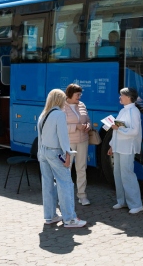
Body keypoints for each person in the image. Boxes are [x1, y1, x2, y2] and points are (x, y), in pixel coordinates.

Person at [37, 89, 86, 228]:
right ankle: (69, 219)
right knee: (66, 184)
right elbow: (63, 137)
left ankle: (50, 216)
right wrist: (68, 155)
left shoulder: (43, 114)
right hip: (56, 152)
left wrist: (40, 155)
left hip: (43, 152)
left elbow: (40, 137)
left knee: (47, 185)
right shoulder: (59, 114)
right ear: (59, 100)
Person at [108, 87, 143, 214]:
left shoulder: (134, 111)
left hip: (127, 148)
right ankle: (122, 201)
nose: (119, 97)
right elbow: (116, 129)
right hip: (118, 147)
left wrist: (119, 129)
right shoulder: (123, 110)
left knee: (127, 174)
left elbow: (134, 131)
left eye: (121, 95)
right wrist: (112, 145)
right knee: (118, 173)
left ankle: (136, 204)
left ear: (129, 97)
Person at [63, 84, 91, 206]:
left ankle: (82, 195)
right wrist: (76, 127)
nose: (79, 97)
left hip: (83, 141)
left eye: (80, 94)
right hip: (69, 142)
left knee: (81, 168)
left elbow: (88, 120)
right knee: (66, 169)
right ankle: (65, 195)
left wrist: (88, 126)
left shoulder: (82, 105)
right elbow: (60, 126)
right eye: (77, 95)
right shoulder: (61, 107)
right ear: (69, 95)